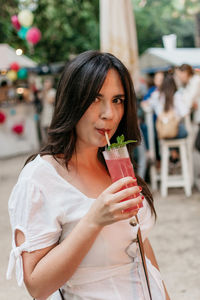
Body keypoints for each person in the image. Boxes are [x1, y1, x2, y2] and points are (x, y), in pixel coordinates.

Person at [6, 51, 170, 300]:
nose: (110, 114)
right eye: (96, 98)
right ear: (72, 101)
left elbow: (141, 244)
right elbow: (37, 287)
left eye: (118, 100)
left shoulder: (114, 163)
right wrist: (93, 220)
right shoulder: (40, 179)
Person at [40, 77, 56, 144]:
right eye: (45, 82)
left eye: (47, 82)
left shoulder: (53, 91)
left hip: (51, 112)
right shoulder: (44, 92)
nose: (45, 84)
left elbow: (50, 101)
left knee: (50, 129)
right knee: (46, 129)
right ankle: (49, 143)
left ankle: (53, 143)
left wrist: (45, 92)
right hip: (45, 111)